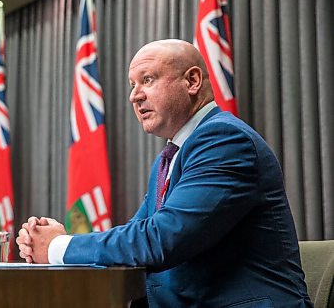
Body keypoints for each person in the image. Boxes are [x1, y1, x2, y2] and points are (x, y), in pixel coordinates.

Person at [16, 40, 312, 307]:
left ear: (192, 81)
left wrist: (57, 246)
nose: (134, 96)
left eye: (147, 80)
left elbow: (161, 240)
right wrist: (57, 242)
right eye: (132, 85)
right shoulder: (170, 157)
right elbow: (135, 239)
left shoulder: (225, 141)